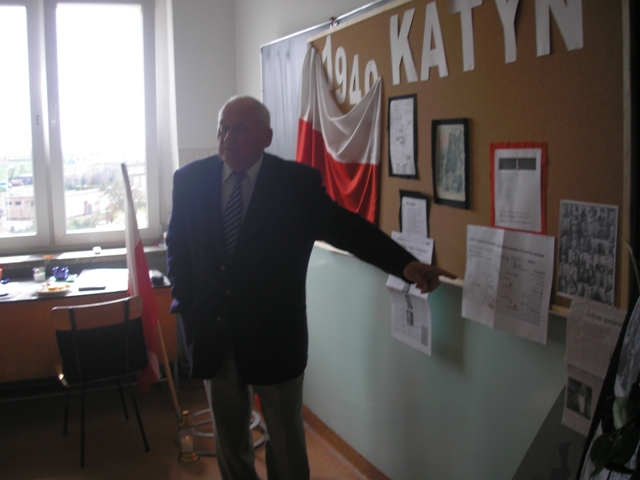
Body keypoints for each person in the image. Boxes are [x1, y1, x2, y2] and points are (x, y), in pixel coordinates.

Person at [166, 96, 455, 480]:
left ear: (267, 137)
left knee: (286, 440)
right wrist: (187, 302)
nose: (227, 137)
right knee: (230, 440)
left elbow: (349, 230)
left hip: (274, 336)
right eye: (223, 127)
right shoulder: (190, 181)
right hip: (214, 336)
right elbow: (177, 247)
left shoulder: (295, 184)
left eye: (240, 128)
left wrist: (404, 264)